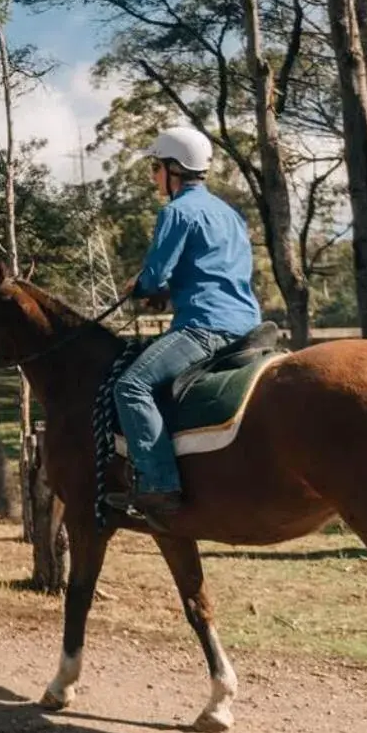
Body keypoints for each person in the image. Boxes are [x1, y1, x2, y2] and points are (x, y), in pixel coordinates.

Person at [112, 126, 263, 525]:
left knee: (131, 385)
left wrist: (139, 287)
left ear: (173, 170)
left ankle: (159, 484)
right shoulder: (229, 213)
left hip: (205, 326)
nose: (152, 176)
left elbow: (155, 272)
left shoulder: (176, 211)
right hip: (246, 321)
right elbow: (209, 269)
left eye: (154, 167)